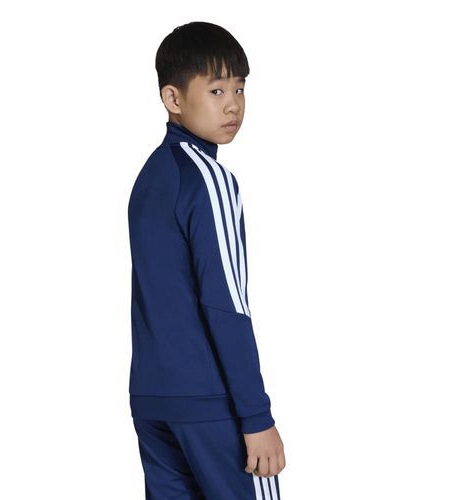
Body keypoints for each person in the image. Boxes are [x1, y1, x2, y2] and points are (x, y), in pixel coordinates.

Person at [127, 21, 286, 499]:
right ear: (173, 98)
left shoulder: (150, 177)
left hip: (154, 399)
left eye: (239, 88)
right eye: (216, 90)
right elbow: (226, 304)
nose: (233, 104)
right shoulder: (208, 180)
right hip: (211, 403)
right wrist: (256, 417)